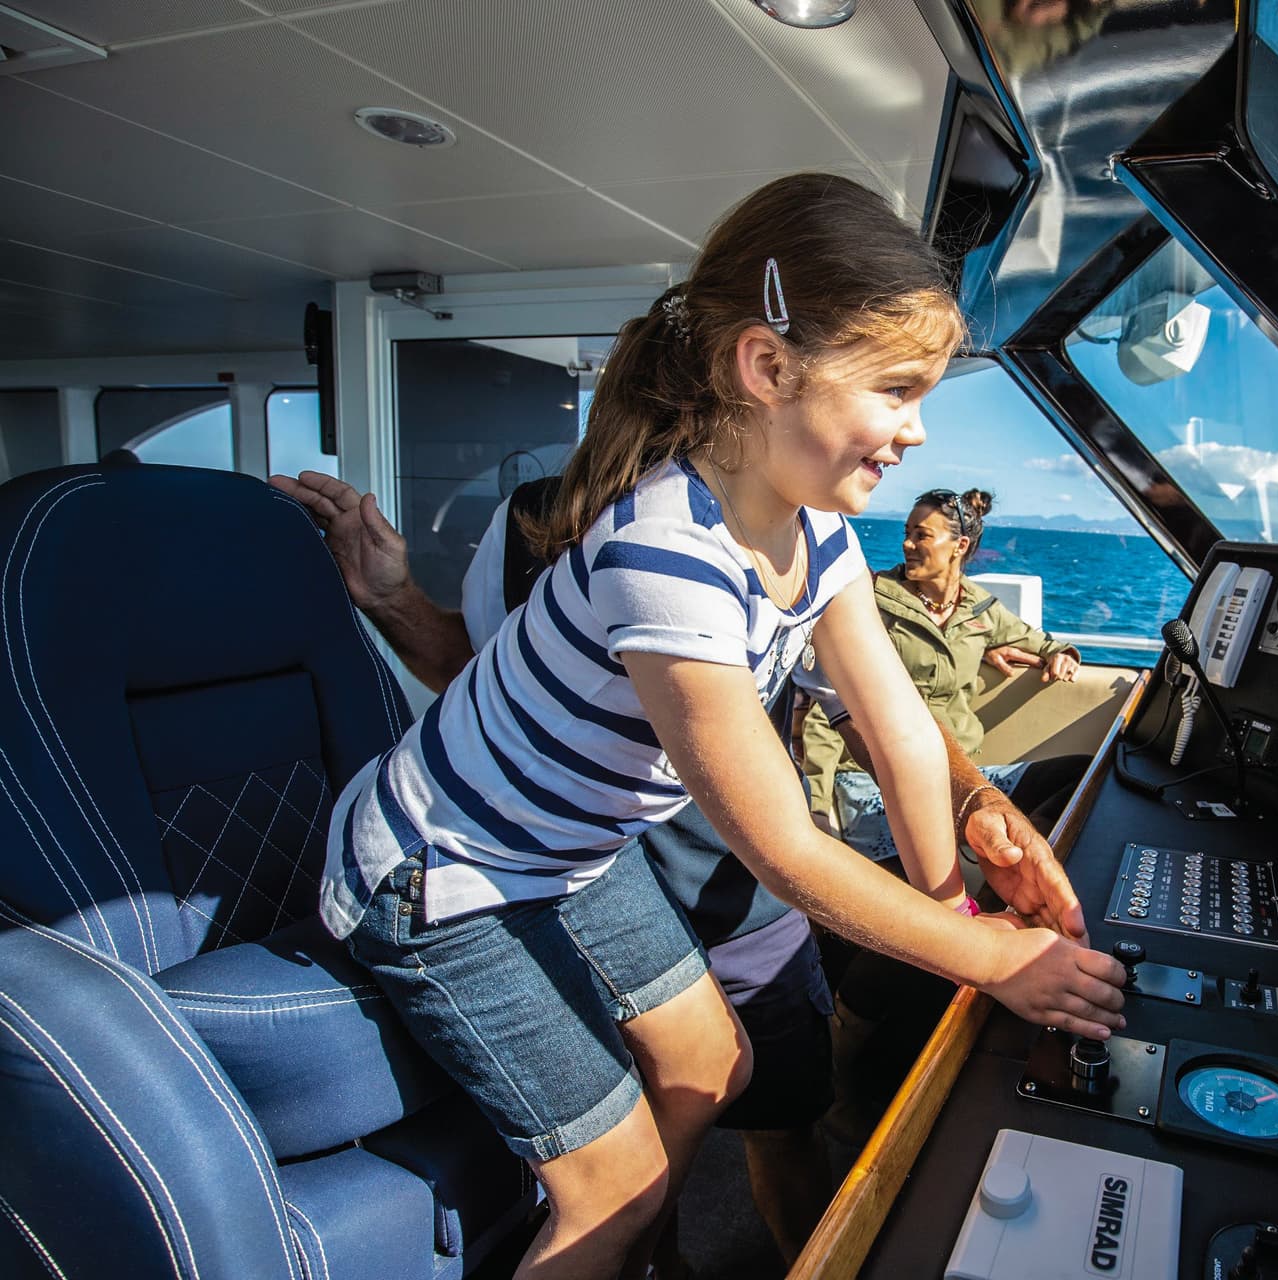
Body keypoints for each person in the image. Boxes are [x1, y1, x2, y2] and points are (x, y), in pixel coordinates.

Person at [294, 172, 1128, 1280]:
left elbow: (902, 735)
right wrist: (990, 959)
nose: (917, 431)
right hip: (443, 867)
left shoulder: (815, 533)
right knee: (617, 1185)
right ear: (768, 367)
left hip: (569, 852)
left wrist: (958, 918)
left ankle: (642, 1257)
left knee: (716, 1064)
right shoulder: (664, 555)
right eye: (894, 389)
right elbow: (782, 846)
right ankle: (618, 1236)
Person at [801, 487, 1089, 859]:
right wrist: (818, 809)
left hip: (957, 778)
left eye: (921, 535)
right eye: (907, 533)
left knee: (1079, 776)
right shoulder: (871, 603)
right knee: (924, 885)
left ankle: (1004, 895)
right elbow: (829, 710)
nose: (907, 544)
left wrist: (1060, 653)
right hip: (874, 782)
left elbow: (1034, 638)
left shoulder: (977, 609)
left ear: (960, 545)